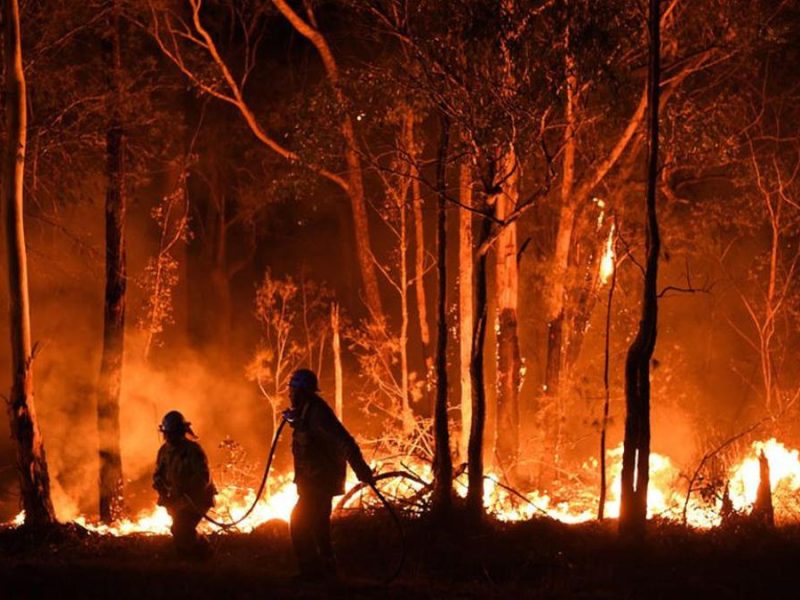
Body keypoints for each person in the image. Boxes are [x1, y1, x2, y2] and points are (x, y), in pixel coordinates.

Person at [284, 369, 374, 582]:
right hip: (312, 482)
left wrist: (361, 468)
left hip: (320, 482)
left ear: (302, 391)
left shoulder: (318, 414)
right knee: (319, 528)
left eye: (293, 390)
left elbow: (344, 440)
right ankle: (328, 573)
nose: (289, 394)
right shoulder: (307, 411)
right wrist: (297, 422)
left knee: (298, 522)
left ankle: (311, 572)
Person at [153, 410, 216, 558]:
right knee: (180, 531)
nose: (170, 437)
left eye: (174, 433)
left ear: (182, 432)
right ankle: (190, 558)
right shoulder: (164, 451)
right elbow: (158, 475)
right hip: (176, 501)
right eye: (168, 433)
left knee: (181, 529)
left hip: (196, 500)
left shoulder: (193, 450)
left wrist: (184, 490)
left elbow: (203, 478)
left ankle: (205, 553)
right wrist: (161, 488)